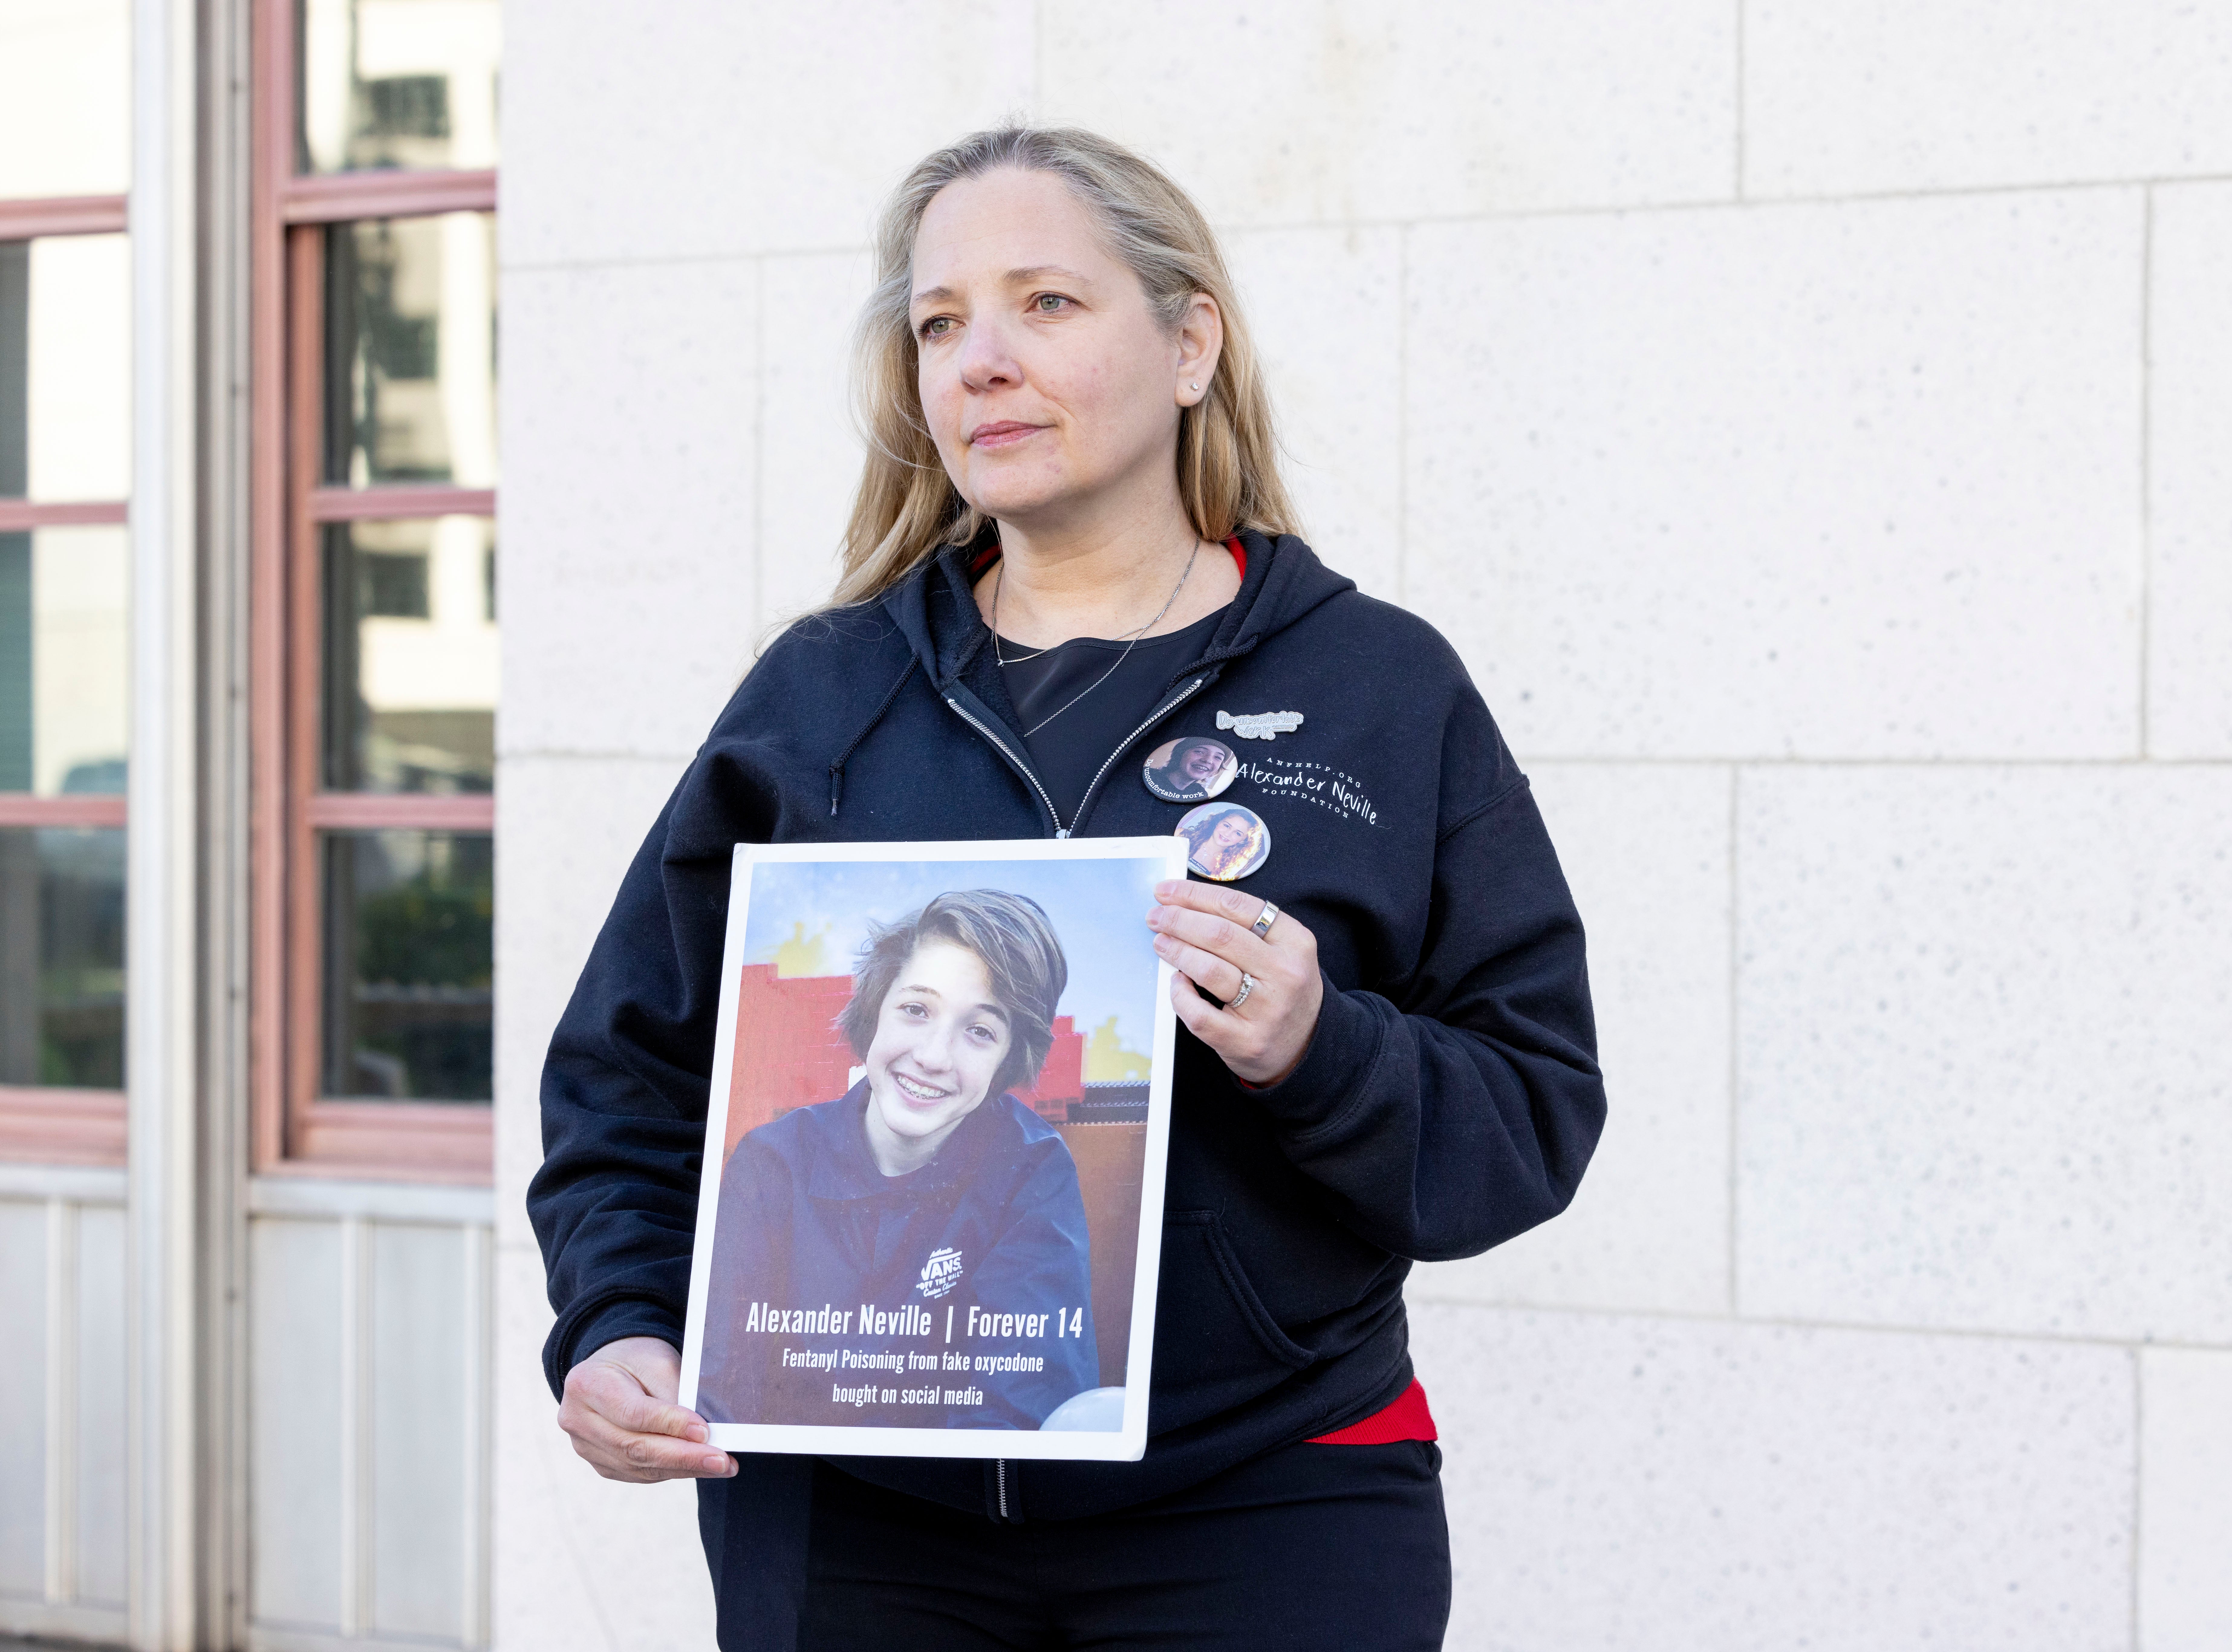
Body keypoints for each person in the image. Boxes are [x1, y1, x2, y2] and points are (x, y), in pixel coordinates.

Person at [531, 124, 1604, 1652]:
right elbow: (630, 1077)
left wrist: (1323, 1046)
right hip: (857, 1524)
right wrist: (619, 1321)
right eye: (939, 321)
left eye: (1046, 303)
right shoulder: (819, 698)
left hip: (1268, 1501)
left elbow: (1531, 1112)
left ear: (1188, 343)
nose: (980, 360)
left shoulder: (1382, 689)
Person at [695, 890, 1098, 1432]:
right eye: (916, 1009)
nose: (933, 1056)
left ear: (1009, 1057)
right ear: (875, 1009)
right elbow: (720, 1390)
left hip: (950, 1502)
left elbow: (1023, 1400)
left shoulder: (1033, 1168)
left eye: (980, 1031)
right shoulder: (772, 1161)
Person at [1178, 802, 1263, 879]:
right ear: (1218, 822)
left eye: (1238, 833)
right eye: (1227, 826)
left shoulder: (1225, 871)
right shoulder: (1181, 834)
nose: (1228, 834)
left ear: (1243, 841)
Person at [1143, 734, 1232, 799]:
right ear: (1181, 754)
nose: (1208, 761)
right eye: (1200, 752)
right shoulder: (1151, 776)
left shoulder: (1200, 793)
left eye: (1218, 758)